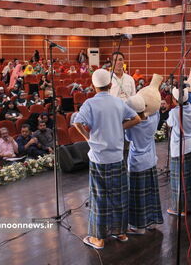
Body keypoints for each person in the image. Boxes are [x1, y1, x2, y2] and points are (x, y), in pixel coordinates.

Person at [73, 69, 141, 250]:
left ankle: (99, 238)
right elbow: (136, 118)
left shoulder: (90, 103)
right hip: (117, 156)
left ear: (93, 86)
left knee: (99, 197)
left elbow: (77, 122)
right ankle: (121, 232)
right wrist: (120, 128)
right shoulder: (118, 102)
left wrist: (88, 138)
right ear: (110, 85)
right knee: (118, 195)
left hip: (99, 157)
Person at [124, 95, 163, 235]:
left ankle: (138, 226)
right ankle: (152, 222)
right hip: (151, 159)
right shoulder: (154, 118)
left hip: (137, 162)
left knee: (137, 195)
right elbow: (155, 108)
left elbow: (127, 138)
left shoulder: (133, 127)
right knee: (150, 191)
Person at [166, 87, 191, 216]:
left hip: (180, 149)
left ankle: (179, 208)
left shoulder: (175, 113)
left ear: (175, 100)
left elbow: (169, 124)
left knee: (179, 180)